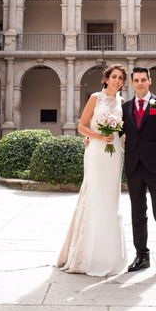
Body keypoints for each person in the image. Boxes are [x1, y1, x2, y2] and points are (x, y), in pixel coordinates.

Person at [57, 64, 128, 276]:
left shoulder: (122, 102)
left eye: (121, 78)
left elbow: (124, 130)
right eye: (114, 77)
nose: (117, 81)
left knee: (111, 199)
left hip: (114, 152)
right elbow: (81, 126)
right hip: (96, 151)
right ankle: (86, 254)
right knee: (95, 195)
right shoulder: (95, 98)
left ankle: (109, 255)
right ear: (106, 79)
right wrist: (96, 136)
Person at [122, 66, 156, 278]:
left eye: (144, 80)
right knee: (137, 215)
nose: (140, 83)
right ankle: (142, 256)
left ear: (149, 81)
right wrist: (93, 137)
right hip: (134, 168)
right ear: (132, 83)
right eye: (136, 80)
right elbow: (116, 133)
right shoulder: (125, 107)